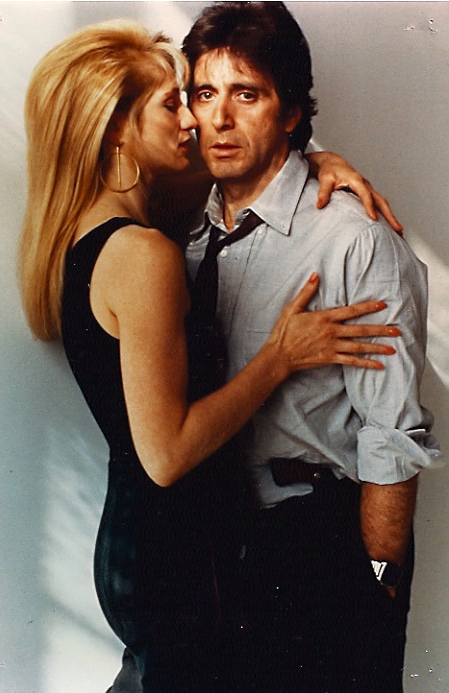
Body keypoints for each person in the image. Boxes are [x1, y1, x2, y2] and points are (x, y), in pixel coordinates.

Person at [19, 18, 407, 693]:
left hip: (142, 547)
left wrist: (317, 161)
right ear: (116, 130)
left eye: (199, 99)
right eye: (177, 103)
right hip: (176, 557)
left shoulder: (100, 233)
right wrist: (279, 357)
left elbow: (248, 160)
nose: (196, 122)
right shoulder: (144, 253)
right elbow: (167, 454)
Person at [172, 2, 440, 691]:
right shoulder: (187, 237)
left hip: (317, 549)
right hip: (211, 553)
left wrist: (379, 591)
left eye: (247, 95)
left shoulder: (353, 240)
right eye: (204, 93)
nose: (219, 118)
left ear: (290, 111)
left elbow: (392, 436)